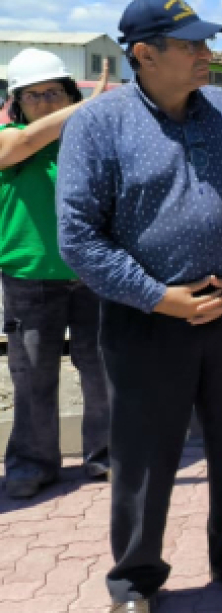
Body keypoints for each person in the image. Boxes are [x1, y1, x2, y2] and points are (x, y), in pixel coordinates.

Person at [57, 0, 222, 613]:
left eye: (206, 42)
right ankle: (135, 579)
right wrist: (160, 298)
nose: (207, 54)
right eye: (191, 45)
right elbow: (78, 235)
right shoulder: (98, 126)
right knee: (143, 455)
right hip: (145, 319)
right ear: (145, 54)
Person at [0, 50, 111, 499]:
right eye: (33, 94)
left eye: (54, 92)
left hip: (94, 273)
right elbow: (24, 142)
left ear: (68, 94)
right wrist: (88, 104)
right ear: (17, 102)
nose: (45, 101)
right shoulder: (9, 138)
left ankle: (108, 454)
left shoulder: (91, 141)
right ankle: (32, 462)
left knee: (102, 369)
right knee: (32, 376)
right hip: (29, 276)